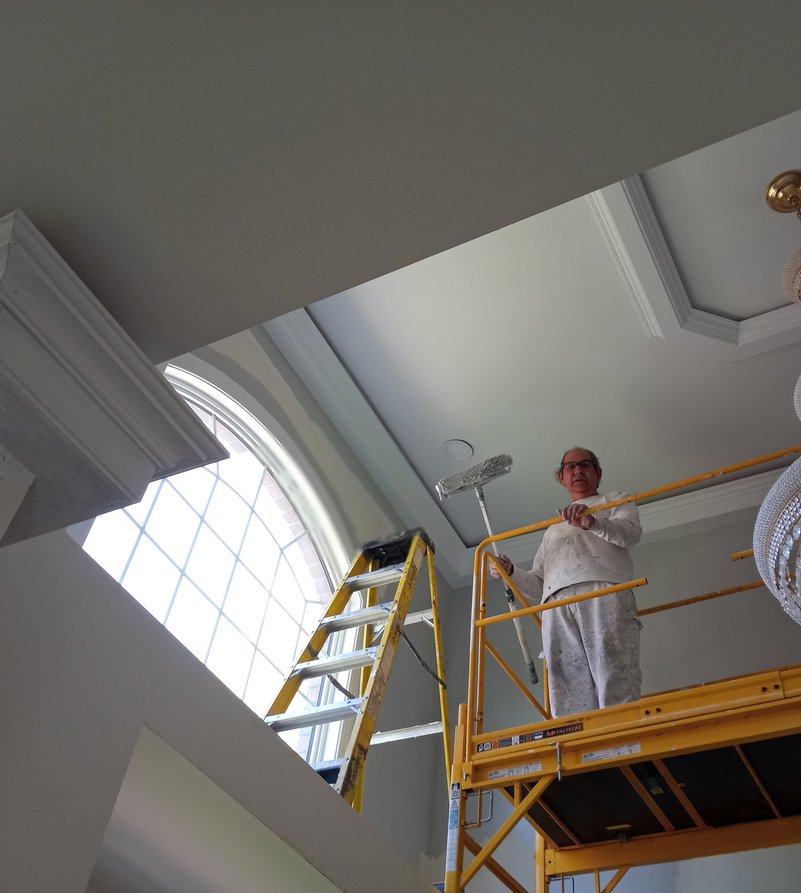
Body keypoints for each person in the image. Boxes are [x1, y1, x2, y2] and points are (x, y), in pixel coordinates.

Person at [491, 447, 642, 718]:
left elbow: (629, 534)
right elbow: (538, 585)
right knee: (566, 682)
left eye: (585, 464)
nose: (578, 471)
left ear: (598, 472)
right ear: (562, 477)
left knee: (612, 669)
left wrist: (592, 522)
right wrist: (511, 571)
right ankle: (576, 748)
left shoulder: (615, 500)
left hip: (604, 590)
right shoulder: (553, 530)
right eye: (570, 467)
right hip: (557, 605)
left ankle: (623, 737)